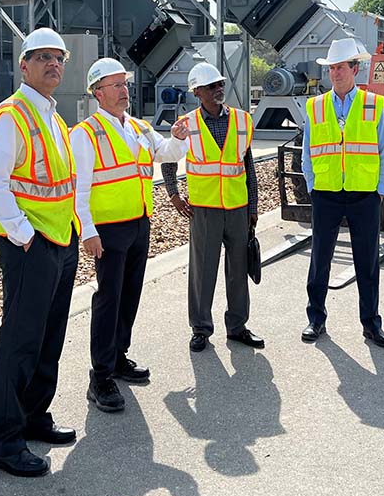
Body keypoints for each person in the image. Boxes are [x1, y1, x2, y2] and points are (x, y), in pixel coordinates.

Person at [0, 27, 81, 478]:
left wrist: (70, 232)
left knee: (48, 338)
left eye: (58, 58)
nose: (52, 65)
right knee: (20, 343)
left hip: (60, 240)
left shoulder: (54, 117)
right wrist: (24, 235)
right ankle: (4, 441)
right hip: (31, 246)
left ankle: (34, 417)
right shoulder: (13, 115)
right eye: (42, 57)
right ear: (23, 65)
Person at [71, 57, 189, 413]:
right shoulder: (85, 134)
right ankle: (101, 376)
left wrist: (178, 139)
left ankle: (118, 356)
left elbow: (165, 153)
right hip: (107, 231)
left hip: (139, 223)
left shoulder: (138, 127)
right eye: (117, 85)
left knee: (129, 295)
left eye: (125, 84)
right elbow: (80, 189)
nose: (125, 91)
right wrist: (87, 231)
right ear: (97, 93)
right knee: (108, 300)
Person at [299, 37, 384, 347]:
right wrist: (314, 188)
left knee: (367, 262)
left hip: (364, 195)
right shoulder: (315, 106)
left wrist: (379, 191)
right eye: (332, 68)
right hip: (326, 194)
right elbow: (306, 154)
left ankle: (371, 324)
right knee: (320, 260)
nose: (335, 73)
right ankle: (316, 319)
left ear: (355, 69)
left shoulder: (373, 104)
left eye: (341, 67)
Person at [163, 62, 263, 353]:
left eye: (220, 84)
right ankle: (201, 329)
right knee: (202, 272)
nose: (219, 89)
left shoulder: (243, 120)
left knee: (238, 269)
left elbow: (248, 165)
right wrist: (173, 195)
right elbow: (169, 161)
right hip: (203, 210)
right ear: (197, 91)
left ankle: (237, 326)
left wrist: (253, 205)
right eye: (211, 86)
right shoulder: (186, 124)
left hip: (237, 207)